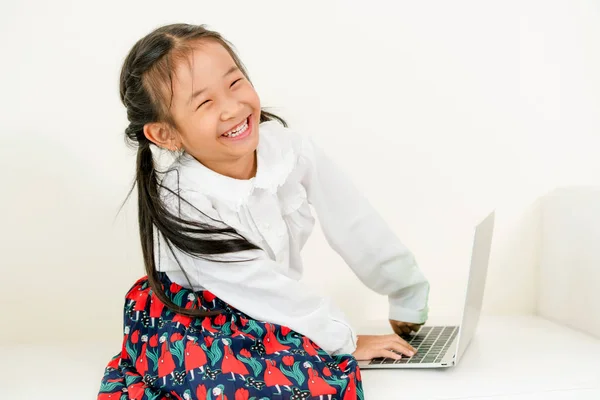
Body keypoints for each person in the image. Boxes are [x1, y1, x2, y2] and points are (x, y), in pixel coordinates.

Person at [98, 23, 429, 400]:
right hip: (197, 324)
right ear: (166, 134)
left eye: (235, 83)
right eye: (205, 103)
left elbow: (355, 222)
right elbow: (256, 285)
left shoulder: (290, 151)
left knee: (304, 369)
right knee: (282, 386)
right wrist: (343, 340)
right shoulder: (182, 198)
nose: (233, 108)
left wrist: (406, 294)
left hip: (275, 312)